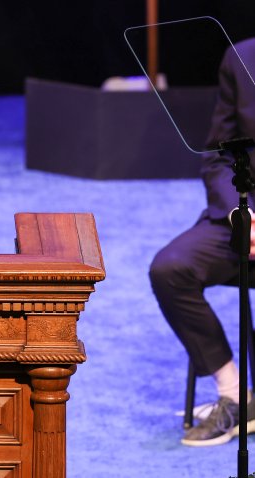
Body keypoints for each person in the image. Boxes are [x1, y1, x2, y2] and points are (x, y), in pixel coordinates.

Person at [149, 38, 255, 447]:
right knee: (171, 268)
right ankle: (234, 396)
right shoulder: (241, 57)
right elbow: (218, 155)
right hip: (246, 216)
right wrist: (239, 214)